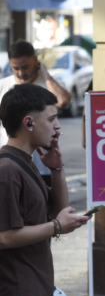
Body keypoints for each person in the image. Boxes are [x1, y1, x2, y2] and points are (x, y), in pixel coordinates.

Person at [0, 84, 90, 296]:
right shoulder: (7, 169)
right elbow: (5, 237)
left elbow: (58, 210)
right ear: (28, 123)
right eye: (51, 119)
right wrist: (57, 227)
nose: (57, 126)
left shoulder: (25, 162)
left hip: (46, 292)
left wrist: (57, 169)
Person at [0, 40, 71, 187]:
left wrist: (45, 75)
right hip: (10, 163)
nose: (21, 73)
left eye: (25, 67)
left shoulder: (50, 83)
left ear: (36, 60)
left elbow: (63, 101)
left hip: (43, 165)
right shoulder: (3, 86)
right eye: (16, 68)